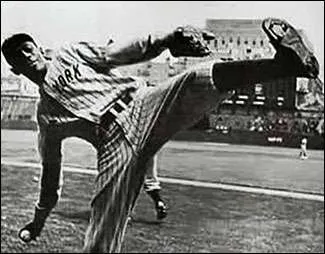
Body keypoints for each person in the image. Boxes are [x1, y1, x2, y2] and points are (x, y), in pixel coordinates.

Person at [1, 17, 319, 253]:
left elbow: (118, 54)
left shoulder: (70, 54)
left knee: (196, 78)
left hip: (141, 104)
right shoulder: (45, 117)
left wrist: (165, 39)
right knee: (101, 233)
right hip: (113, 146)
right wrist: (38, 220)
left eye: (28, 49)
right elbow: (50, 175)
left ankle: (287, 65)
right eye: (18, 58)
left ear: (38, 49)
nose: (26, 57)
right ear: (16, 70)